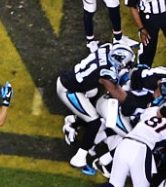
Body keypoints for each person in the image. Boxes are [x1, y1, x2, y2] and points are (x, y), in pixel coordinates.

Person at [73, 104, 166, 187]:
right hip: (142, 149)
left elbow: (139, 117)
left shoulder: (152, 111)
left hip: (124, 143)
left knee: (115, 184)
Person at [56, 42, 134, 174]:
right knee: (94, 122)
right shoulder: (108, 72)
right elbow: (115, 91)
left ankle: (73, 124)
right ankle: (79, 158)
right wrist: (133, 102)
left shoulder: (108, 48)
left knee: (93, 95)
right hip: (69, 91)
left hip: (75, 80)